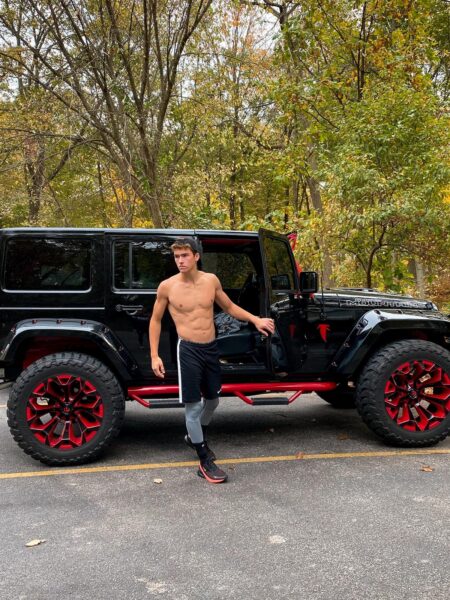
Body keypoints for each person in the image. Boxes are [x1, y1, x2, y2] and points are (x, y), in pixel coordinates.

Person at [149, 237, 275, 484]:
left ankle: (195, 436)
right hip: (188, 349)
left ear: (196, 256)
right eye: (177, 256)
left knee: (213, 401)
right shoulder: (167, 287)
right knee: (194, 407)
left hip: (210, 348)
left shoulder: (211, 281)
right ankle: (203, 458)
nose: (180, 261)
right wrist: (155, 355)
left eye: (185, 255)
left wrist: (255, 319)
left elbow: (229, 307)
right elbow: (155, 320)